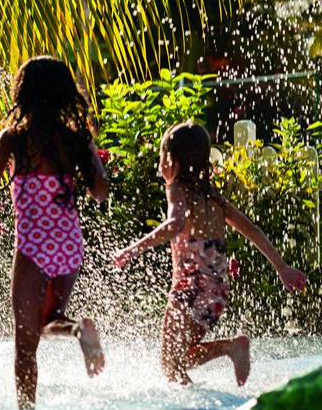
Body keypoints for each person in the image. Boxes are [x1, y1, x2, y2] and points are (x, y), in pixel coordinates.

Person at [0, 55, 109, 410]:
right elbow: (101, 192)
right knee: (49, 321)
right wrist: (89, 154)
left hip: (34, 246)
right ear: (65, 94)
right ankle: (78, 330)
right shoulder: (74, 140)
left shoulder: (14, 140)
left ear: (23, 94)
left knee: (25, 343)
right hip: (69, 244)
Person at [114, 121, 306, 385]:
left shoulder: (177, 189)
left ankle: (229, 349)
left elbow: (175, 223)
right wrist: (281, 267)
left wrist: (134, 248)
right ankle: (229, 349)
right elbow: (250, 229)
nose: (159, 166)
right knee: (177, 360)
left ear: (171, 160)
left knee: (170, 365)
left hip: (191, 288)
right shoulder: (214, 197)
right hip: (216, 291)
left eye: (161, 157)